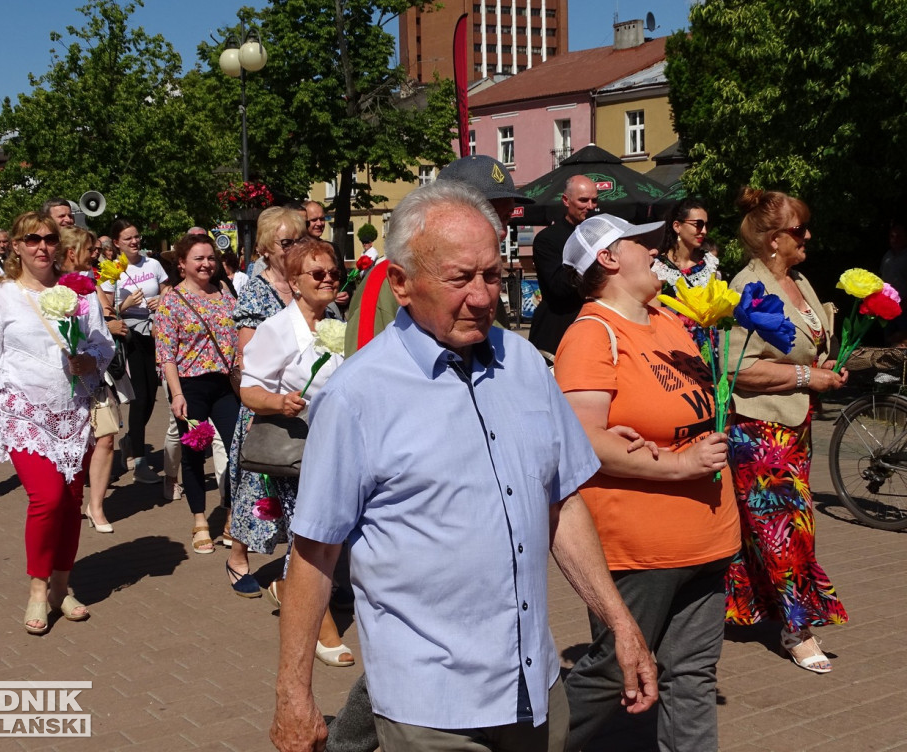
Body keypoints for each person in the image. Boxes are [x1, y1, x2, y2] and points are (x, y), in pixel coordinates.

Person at [270, 182, 657, 752]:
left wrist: (620, 624)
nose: (482, 297)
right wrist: (292, 695)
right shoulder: (358, 395)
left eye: (493, 276)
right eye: (459, 279)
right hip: (429, 704)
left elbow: (561, 504)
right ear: (401, 284)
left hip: (533, 688)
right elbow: (315, 552)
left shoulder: (525, 364)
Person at [554, 213, 740, 751]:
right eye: (644, 244)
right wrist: (681, 466)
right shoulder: (592, 335)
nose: (658, 251)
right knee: (613, 674)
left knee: (691, 678)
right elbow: (584, 440)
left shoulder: (669, 320)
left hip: (708, 540)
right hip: (640, 552)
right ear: (608, 259)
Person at [0, 211, 113, 635]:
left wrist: (91, 359)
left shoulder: (78, 292)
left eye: (49, 239)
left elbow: (102, 346)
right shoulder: (1, 297)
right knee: (46, 499)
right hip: (24, 412)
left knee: (70, 504)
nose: (42, 247)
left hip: (73, 412)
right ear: (16, 245)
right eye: (32, 239)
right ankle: (36, 588)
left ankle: (61, 587)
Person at [725, 187, 849, 673]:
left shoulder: (799, 281)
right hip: (758, 434)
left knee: (772, 532)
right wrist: (806, 376)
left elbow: (806, 346)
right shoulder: (748, 286)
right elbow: (736, 366)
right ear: (774, 239)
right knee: (786, 533)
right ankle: (798, 629)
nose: (808, 237)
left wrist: (824, 365)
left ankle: (747, 609)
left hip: (794, 430)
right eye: (799, 230)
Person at [239, 239, 352, 665]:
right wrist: (279, 402)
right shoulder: (278, 327)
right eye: (317, 273)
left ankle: (289, 589)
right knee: (313, 536)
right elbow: (250, 389)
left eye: (333, 273)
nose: (328, 280)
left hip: (336, 444)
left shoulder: (337, 319)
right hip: (295, 449)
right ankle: (321, 627)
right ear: (294, 282)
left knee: (334, 533)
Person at [343, 154, 533, 356]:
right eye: (488, 215)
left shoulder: (486, 278)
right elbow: (366, 371)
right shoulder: (387, 280)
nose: (501, 230)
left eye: (505, 218)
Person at [226, 207, 307, 596]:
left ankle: (303, 566)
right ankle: (238, 557)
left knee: (300, 489)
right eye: (286, 242)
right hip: (267, 404)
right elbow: (248, 357)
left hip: (304, 403)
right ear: (264, 247)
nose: (294, 249)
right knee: (257, 489)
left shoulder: (306, 283)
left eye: (299, 241)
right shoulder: (258, 290)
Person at [153, 233, 241, 558]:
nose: (206, 264)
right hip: (191, 388)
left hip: (225, 385)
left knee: (238, 449)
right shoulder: (171, 302)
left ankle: (230, 513)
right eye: (198, 259)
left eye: (210, 258)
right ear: (181, 264)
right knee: (195, 453)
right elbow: (167, 355)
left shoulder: (225, 293)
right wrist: (176, 394)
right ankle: (200, 520)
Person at [57, 226, 120, 533]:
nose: (96, 254)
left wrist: (90, 358)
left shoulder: (88, 290)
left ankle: (96, 505)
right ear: (72, 253)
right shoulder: (50, 289)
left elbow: (102, 337)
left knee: (106, 436)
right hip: (58, 382)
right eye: (90, 250)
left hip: (91, 379)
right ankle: (64, 502)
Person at [102, 218, 170, 483]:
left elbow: (168, 290)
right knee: (140, 397)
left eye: (137, 236)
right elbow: (106, 310)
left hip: (155, 333)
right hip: (130, 337)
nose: (134, 241)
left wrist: (162, 299)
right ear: (117, 242)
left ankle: (131, 440)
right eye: (128, 238)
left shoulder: (152, 264)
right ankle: (140, 462)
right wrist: (125, 305)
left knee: (152, 394)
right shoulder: (111, 270)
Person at [528, 175, 599, 355]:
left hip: (594, 324)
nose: (590, 206)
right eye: (583, 200)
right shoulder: (547, 239)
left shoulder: (601, 235)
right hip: (557, 329)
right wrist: (590, 254)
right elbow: (558, 288)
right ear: (566, 200)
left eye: (594, 200)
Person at [303, 201, 350, 307]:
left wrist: (346, 294)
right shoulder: (296, 250)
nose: (319, 224)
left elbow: (343, 280)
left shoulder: (332, 248)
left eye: (322, 219)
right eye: (314, 220)